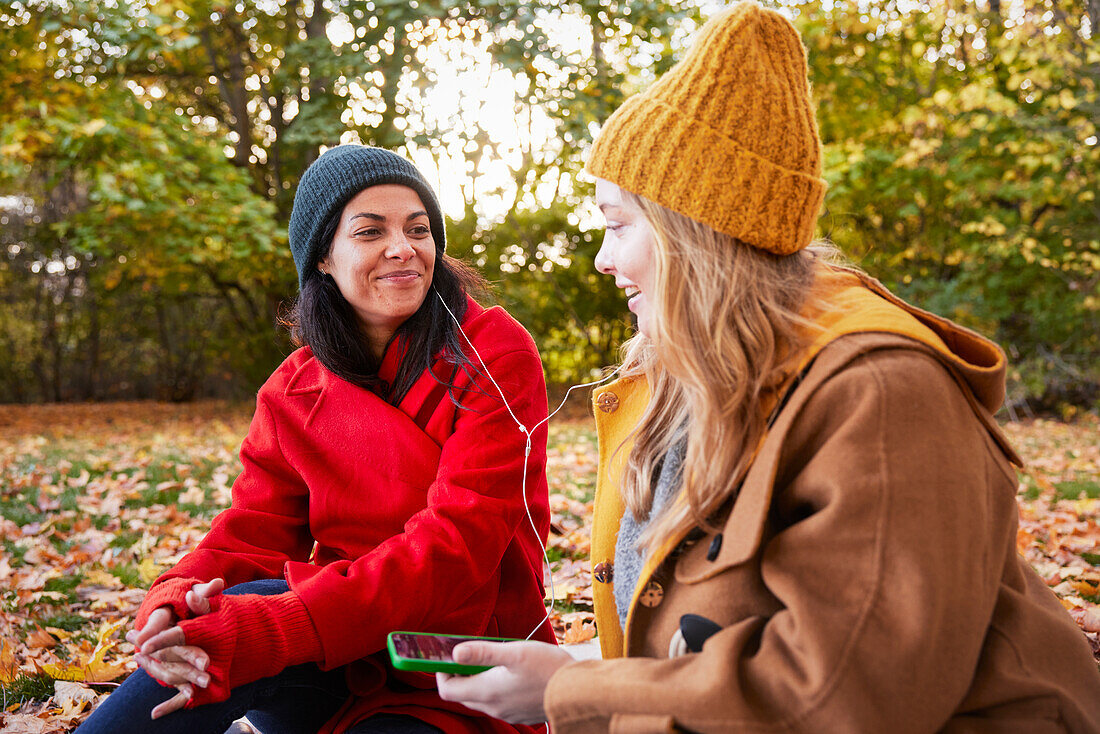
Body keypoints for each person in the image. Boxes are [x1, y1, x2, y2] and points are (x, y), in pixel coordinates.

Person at [435, 3, 1100, 731]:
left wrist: (571, 697)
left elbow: (848, 695)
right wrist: (578, 666)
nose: (601, 257)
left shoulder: (879, 395)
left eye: (618, 224)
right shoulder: (702, 381)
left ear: (695, 236)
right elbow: (715, 626)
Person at [77, 145, 556, 734]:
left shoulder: (493, 351)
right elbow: (252, 529)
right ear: (323, 259)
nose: (403, 248)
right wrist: (175, 597)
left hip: (459, 662)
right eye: (370, 231)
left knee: (256, 614)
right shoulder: (292, 389)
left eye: (419, 228)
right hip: (335, 652)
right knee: (219, 618)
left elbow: (459, 544)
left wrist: (280, 625)